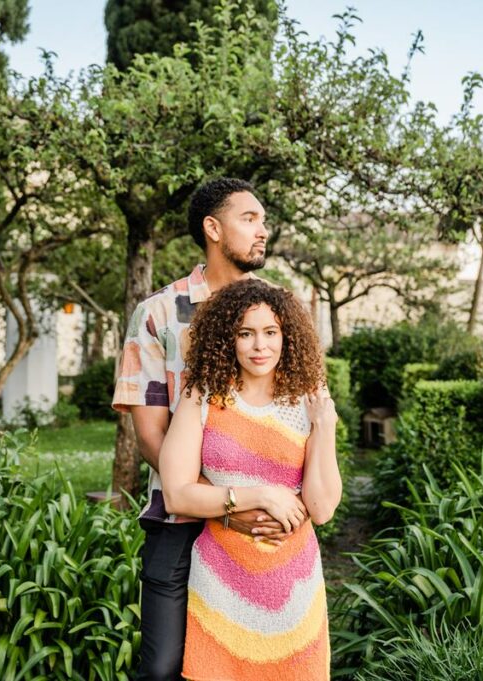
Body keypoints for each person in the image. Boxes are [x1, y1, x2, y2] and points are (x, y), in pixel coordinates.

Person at [112, 178, 295, 680]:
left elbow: (299, 413)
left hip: (266, 522)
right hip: (180, 523)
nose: (263, 230)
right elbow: (150, 434)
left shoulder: (281, 310)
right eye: (249, 219)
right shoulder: (157, 315)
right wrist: (222, 503)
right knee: (164, 668)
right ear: (213, 229)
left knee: (259, 665)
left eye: (263, 219)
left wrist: (264, 504)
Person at [159, 278, 341, 680]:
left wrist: (324, 426)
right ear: (228, 338)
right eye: (246, 333)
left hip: (295, 586)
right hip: (221, 585)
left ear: (286, 336)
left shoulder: (307, 397)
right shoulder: (202, 394)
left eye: (271, 332)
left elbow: (322, 509)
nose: (260, 346)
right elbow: (176, 494)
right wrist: (262, 495)